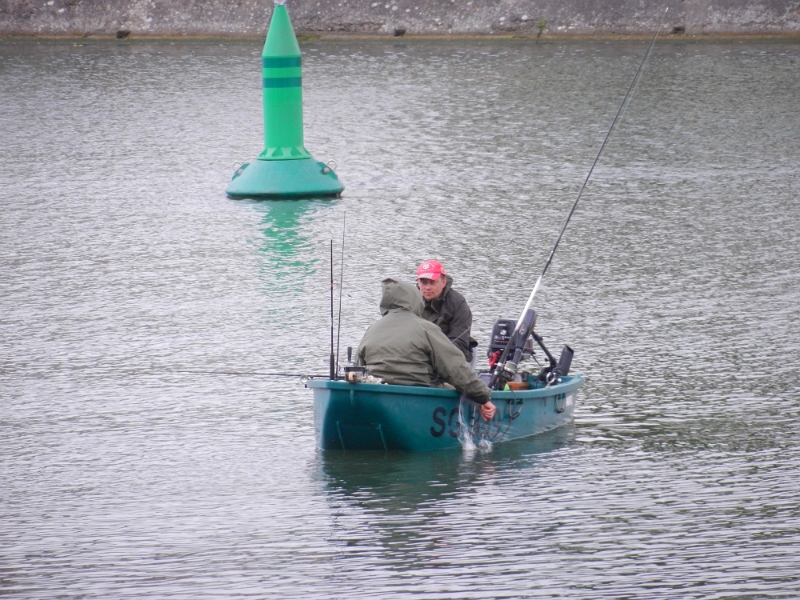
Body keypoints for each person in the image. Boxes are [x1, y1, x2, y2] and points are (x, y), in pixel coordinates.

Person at [356, 278, 496, 422]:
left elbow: (358, 369)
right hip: (422, 393)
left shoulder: (372, 330)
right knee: (460, 389)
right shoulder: (426, 328)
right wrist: (483, 398)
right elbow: (455, 368)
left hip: (378, 393)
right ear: (414, 299)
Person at [416, 259, 476, 363]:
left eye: (432, 282)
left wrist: (431, 358)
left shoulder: (458, 303)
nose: (427, 287)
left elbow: (459, 340)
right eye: (424, 282)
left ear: (443, 282)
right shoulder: (410, 301)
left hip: (450, 356)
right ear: (418, 283)